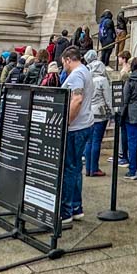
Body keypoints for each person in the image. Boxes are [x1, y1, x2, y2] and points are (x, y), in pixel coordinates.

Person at [60, 48, 95, 226]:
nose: (63, 67)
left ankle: (65, 211)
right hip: (85, 124)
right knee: (75, 168)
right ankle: (76, 207)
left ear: (67, 60)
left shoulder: (76, 75)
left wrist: (65, 122)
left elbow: (77, 100)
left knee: (69, 168)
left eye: (63, 63)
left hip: (75, 128)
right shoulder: (86, 72)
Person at [83, 51, 113, 177]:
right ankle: (94, 168)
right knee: (96, 141)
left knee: (89, 141)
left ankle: (89, 169)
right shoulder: (102, 80)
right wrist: (111, 112)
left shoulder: (87, 78)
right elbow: (108, 99)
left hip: (89, 112)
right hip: (100, 113)